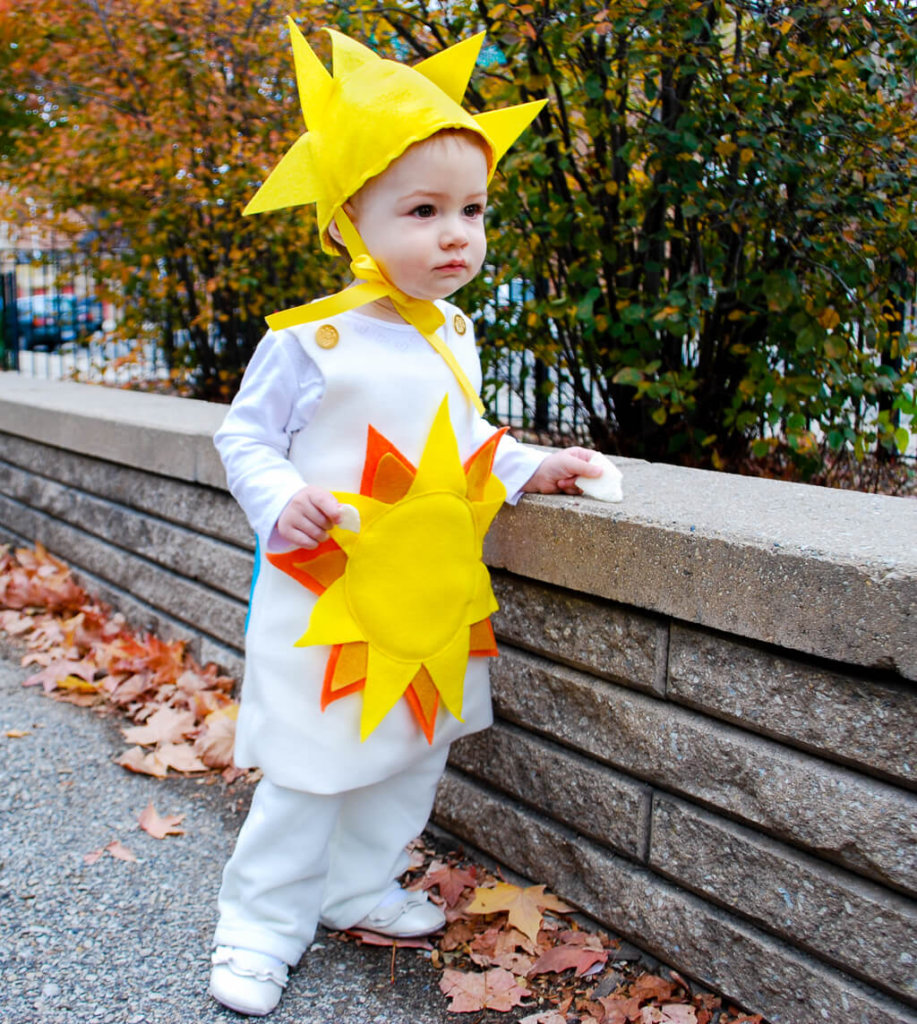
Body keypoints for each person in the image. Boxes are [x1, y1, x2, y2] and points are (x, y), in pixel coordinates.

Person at [209, 20, 603, 1017]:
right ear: (347, 221)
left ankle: (357, 885)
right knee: (309, 766)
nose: (455, 233)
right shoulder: (313, 342)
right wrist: (275, 495)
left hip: (428, 598)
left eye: (470, 209)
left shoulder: (455, 336)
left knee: (406, 757)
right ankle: (257, 926)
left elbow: (462, 441)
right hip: (327, 597)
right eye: (422, 209)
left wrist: (532, 464)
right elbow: (241, 440)